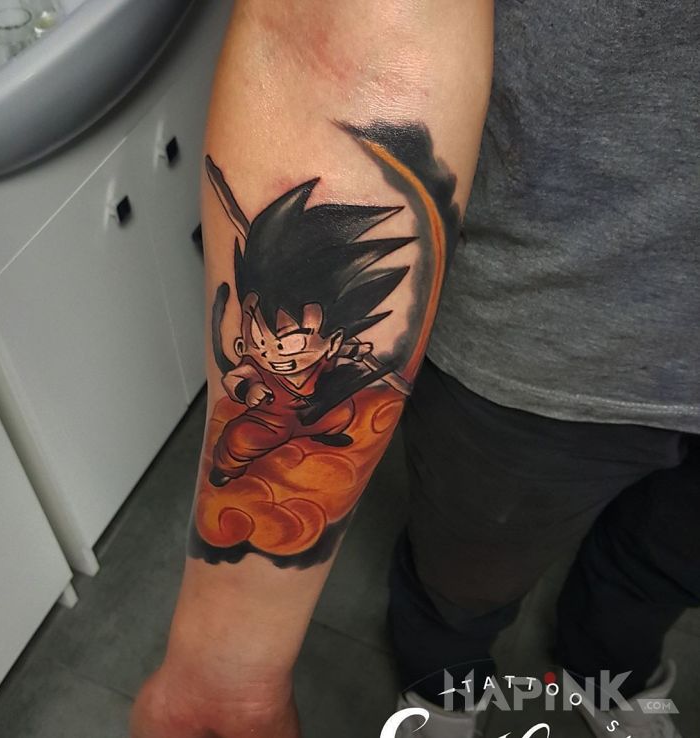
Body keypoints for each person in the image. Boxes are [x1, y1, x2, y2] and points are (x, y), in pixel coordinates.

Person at [129, 1, 699, 737]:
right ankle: (445, 687)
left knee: (663, 569)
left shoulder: (345, 372)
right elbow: (335, 50)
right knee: (463, 582)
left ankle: (610, 666)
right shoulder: (293, 377)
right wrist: (228, 669)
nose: (278, 349)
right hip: (539, 351)